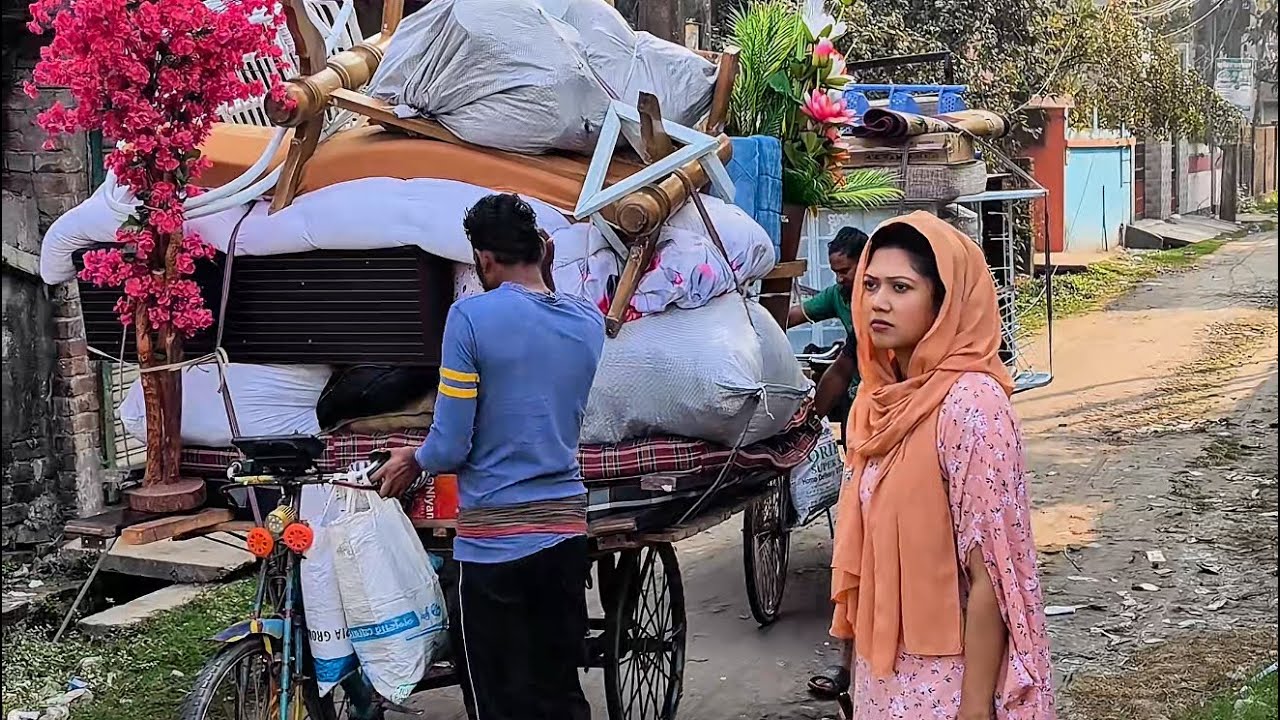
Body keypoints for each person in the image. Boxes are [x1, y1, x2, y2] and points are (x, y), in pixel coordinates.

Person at [375, 193, 605, 720]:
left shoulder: (471, 318)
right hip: (565, 535)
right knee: (557, 693)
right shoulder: (587, 322)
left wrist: (415, 457)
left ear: (482, 258)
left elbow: (452, 444)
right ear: (541, 251)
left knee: (499, 703)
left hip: (495, 549)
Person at [829, 212, 1056, 720]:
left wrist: (974, 710)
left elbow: (991, 579)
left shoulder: (971, 406)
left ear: (943, 301)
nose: (877, 302)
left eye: (901, 287)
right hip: (882, 677)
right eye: (870, 285)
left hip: (947, 684)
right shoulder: (875, 400)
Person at [786, 226, 869, 334]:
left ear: (864, 264)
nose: (839, 279)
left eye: (844, 271)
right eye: (836, 272)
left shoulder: (882, 295)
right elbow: (791, 317)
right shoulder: (837, 295)